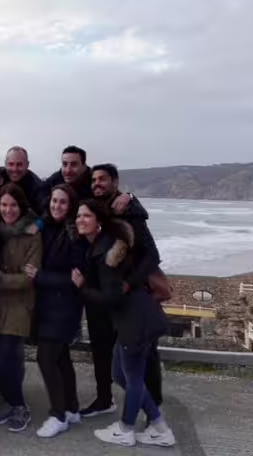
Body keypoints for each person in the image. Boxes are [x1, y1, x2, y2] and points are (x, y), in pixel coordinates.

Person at [75, 200, 175, 448]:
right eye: (78, 216)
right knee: (120, 374)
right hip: (131, 319)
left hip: (135, 320)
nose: (80, 220)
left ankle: (125, 429)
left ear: (99, 221)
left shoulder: (105, 252)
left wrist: (83, 287)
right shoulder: (101, 246)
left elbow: (112, 296)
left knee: (131, 377)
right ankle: (160, 428)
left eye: (86, 216)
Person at [91, 163, 168, 408]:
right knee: (124, 364)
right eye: (94, 180)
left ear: (115, 182)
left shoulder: (130, 213)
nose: (97, 184)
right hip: (116, 297)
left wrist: (129, 283)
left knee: (145, 356)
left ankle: (153, 410)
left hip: (136, 296)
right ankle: (145, 410)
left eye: (102, 179)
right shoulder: (103, 210)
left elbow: (152, 256)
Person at [23, 184, 84, 438]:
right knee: (61, 359)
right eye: (54, 201)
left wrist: (40, 276)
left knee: (45, 358)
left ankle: (58, 415)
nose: (56, 206)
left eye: (62, 202)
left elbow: (75, 280)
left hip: (64, 307)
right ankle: (71, 408)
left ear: (70, 206)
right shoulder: (45, 225)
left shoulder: (75, 235)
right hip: (48, 305)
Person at [0, 183, 42, 433]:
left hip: (20, 305)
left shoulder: (32, 234)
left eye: (13, 205)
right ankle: (11, 401)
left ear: (21, 206)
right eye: (4, 205)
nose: (8, 209)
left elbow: (29, 277)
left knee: (5, 359)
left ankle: (20, 406)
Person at [1, 147, 44, 215]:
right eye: (11, 164)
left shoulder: (37, 186)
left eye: (19, 164)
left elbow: (44, 213)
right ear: (5, 164)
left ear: (27, 165)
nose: (15, 169)